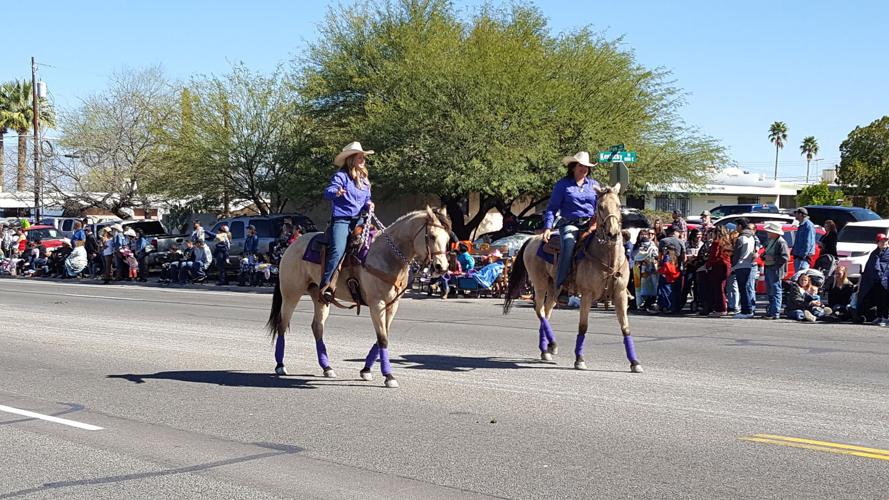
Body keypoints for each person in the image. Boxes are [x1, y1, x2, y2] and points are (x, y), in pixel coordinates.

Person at [541, 151, 599, 305]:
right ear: (573, 167)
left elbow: (601, 205)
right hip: (570, 224)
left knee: (609, 244)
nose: (584, 169)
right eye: (580, 165)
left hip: (591, 224)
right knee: (568, 243)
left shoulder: (594, 185)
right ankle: (562, 287)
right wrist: (548, 227)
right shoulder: (562, 185)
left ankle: (611, 282)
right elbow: (552, 208)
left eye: (586, 166)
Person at [320, 141, 375, 302]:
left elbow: (367, 199)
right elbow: (328, 192)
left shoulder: (365, 180)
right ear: (351, 159)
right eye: (360, 157)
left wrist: (369, 204)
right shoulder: (341, 176)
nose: (363, 160)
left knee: (373, 245)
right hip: (342, 220)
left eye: (363, 157)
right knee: (338, 250)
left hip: (359, 221)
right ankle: (326, 285)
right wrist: (336, 191)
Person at [857, 233, 889, 326]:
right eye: (882, 241)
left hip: (886, 280)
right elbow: (870, 266)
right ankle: (879, 316)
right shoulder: (874, 253)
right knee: (878, 299)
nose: (884, 242)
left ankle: (885, 317)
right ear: (877, 242)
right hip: (876, 281)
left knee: (885, 300)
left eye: (885, 241)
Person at [761, 222, 790, 319]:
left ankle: (775, 312)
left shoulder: (781, 242)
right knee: (770, 290)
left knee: (776, 289)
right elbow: (766, 253)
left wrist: (772, 258)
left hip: (776, 269)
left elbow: (785, 257)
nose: (767, 233)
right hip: (769, 268)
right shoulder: (772, 240)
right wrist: (764, 256)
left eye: (769, 231)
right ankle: (772, 311)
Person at [701, 226, 732, 316]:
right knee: (722, 288)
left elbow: (713, 257)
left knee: (718, 289)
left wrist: (707, 266)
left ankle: (721, 309)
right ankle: (721, 308)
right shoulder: (726, 242)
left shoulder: (716, 243)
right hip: (726, 266)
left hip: (718, 267)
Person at [731, 218, 757, 319]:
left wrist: (733, 265)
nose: (736, 228)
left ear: (740, 226)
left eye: (737, 226)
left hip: (740, 265)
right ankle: (747, 309)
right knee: (745, 288)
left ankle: (746, 310)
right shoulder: (751, 237)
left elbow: (737, 254)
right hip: (748, 264)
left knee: (743, 289)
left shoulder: (741, 238)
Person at [633, 229, 659, 311]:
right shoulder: (639, 245)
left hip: (652, 268)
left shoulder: (653, 245)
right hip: (642, 269)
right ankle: (642, 303)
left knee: (652, 286)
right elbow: (636, 256)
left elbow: (656, 256)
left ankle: (651, 302)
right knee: (642, 287)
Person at [791, 207, 816, 273]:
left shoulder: (808, 225)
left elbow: (808, 242)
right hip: (798, 256)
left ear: (801, 214)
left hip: (803, 258)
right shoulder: (801, 225)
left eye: (796, 213)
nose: (794, 215)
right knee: (797, 278)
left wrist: (802, 256)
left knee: (801, 277)